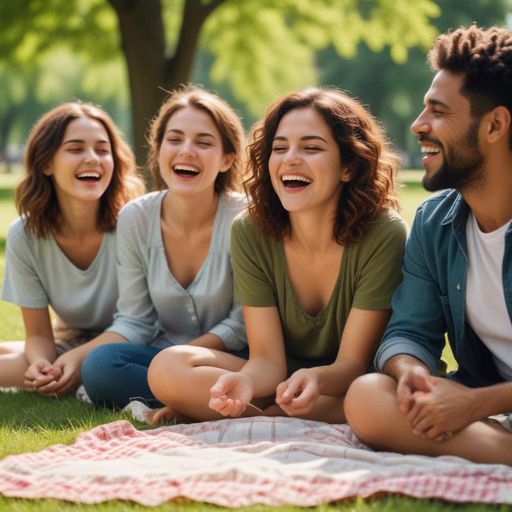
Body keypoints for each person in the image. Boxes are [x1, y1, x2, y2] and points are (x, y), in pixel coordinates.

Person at [147, 87, 408, 424]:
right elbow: (268, 359)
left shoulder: (384, 233)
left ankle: (262, 415)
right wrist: (245, 382)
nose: (290, 159)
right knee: (166, 367)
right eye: (279, 148)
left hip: (347, 383)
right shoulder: (250, 230)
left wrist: (315, 381)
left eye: (311, 148)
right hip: (282, 379)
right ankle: (279, 414)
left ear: (348, 167)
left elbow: (353, 363)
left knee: (367, 395)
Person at [344, 25, 512, 465]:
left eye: (438, 112)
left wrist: (476, 406)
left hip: (486, 406)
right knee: (366, 395)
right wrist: (411, 373)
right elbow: (408, 332)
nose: (418, 126)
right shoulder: (434, 222)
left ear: (495, 124)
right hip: (487, 405)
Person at [81, 86, 248, 409]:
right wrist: (76, 359)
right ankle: (201, 399)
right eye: (174, 139)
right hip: (162, 356)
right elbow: (135, 320)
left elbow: (242, 325)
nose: (186, 150)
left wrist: (180, 362)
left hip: (236, 357)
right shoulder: (135, 218)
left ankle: (196, 398)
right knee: (100, 365)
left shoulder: (245, 219)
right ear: (158, 151)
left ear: (227, 159)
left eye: (203, 142)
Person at [0, 102, 144, 396]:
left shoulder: (134, 223)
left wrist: (77, 360)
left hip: (135, 342)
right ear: (46, 163)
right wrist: (40, 363)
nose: (92, 159)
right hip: (71, 339)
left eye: (103, 150)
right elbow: (39, 333)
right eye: (76, 149)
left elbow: (142, 322)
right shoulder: (24, 236)